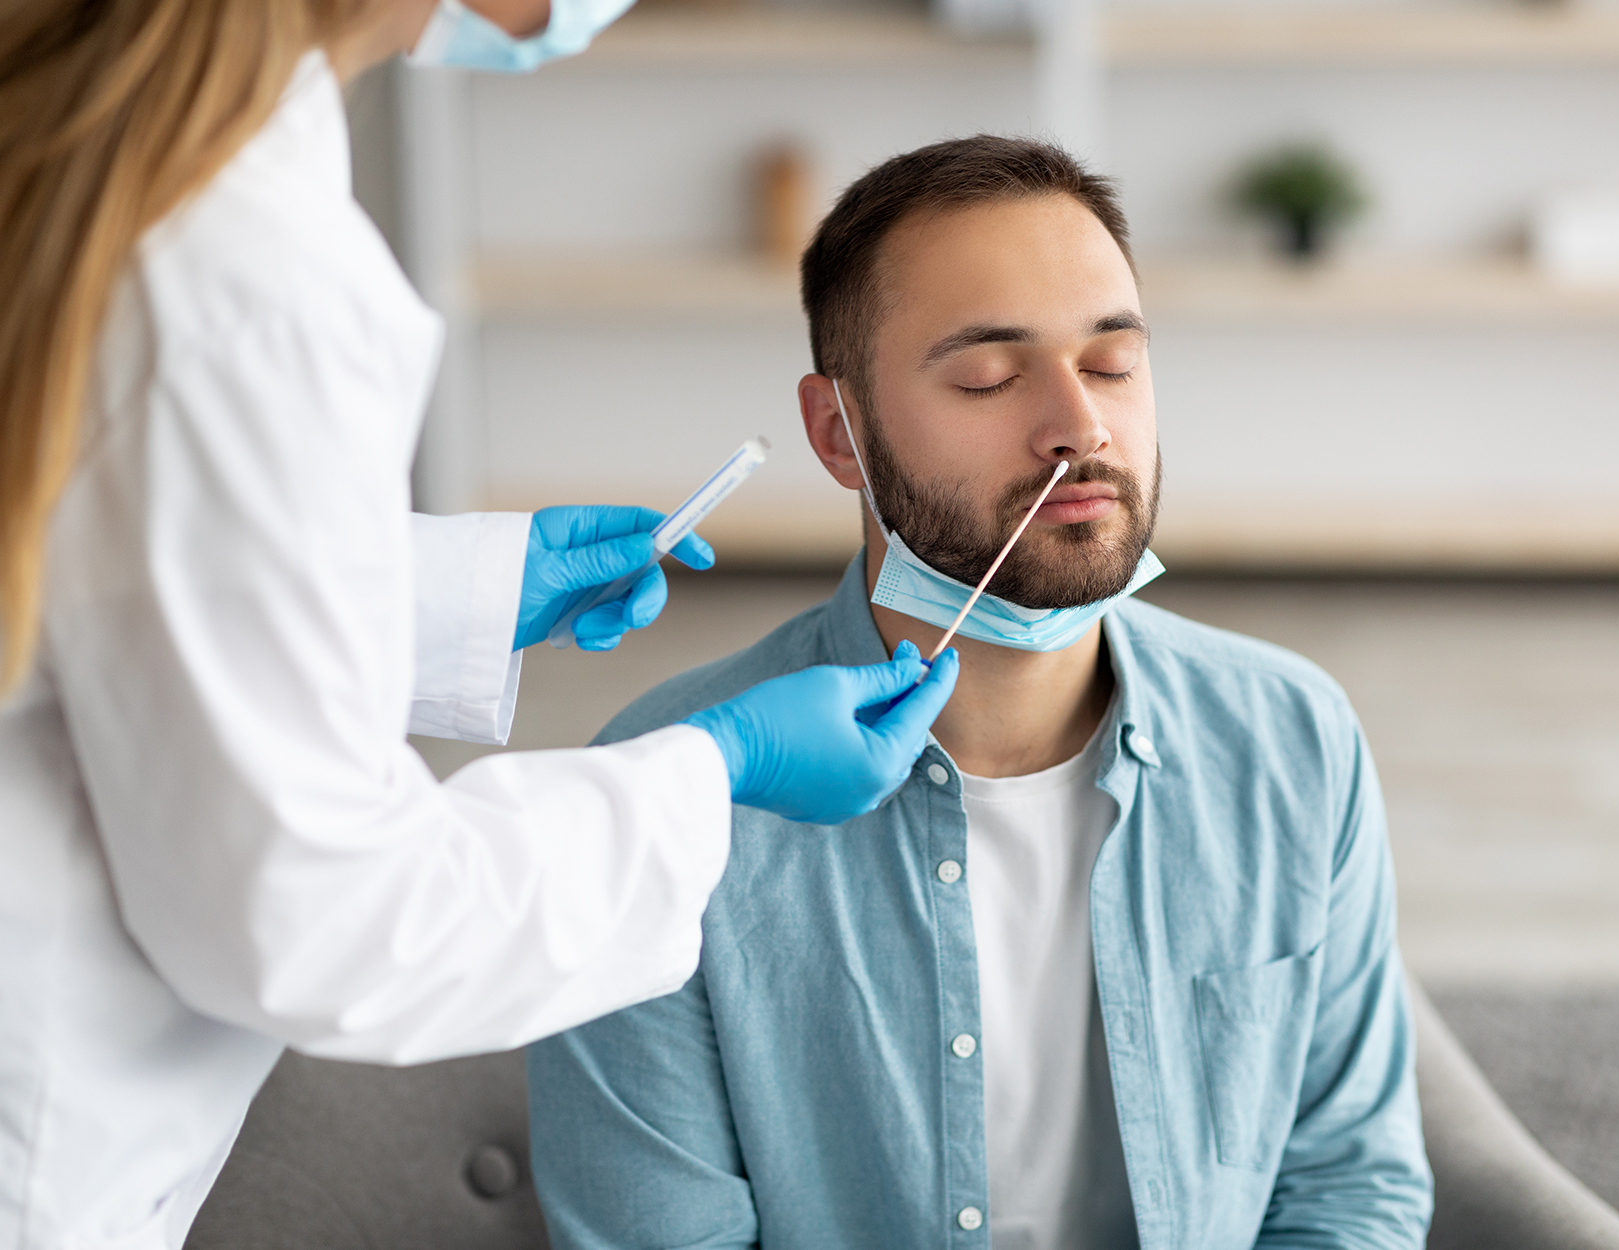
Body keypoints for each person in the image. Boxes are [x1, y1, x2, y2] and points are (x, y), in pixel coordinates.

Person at [0, 1, 956, 1244]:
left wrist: (452, 590)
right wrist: (714, 770)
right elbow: (319, 919)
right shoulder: (245, 268)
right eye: (981, 373)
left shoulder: (117, 151)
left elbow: (95, 574)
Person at [529, 136, 1434, 1250]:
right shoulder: (668, 791)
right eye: (989, 377)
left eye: (1112, 363)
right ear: (835, 433)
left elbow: (1350, 1183)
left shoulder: (1294, 740)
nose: (1080, 427)